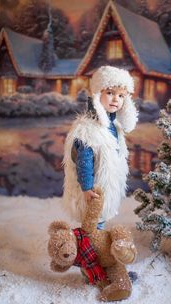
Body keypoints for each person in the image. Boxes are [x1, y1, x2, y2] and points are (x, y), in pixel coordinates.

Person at [62, 65, 138, 229]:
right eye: (110, 93)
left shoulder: (114, 125)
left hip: (106, 184)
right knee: (92, 220)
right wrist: (87, 187)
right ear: (97, 94)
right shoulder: (88, 129)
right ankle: (89, 248)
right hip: (93, 188)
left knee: (100, 219)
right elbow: (84, 161)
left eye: (121, 95)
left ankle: (96, 242)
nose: (116, 99)